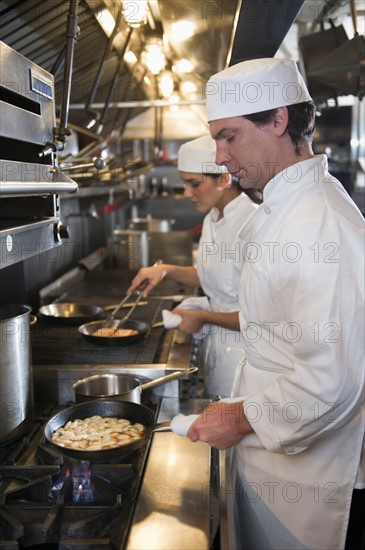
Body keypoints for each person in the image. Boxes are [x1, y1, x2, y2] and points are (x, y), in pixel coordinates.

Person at [185, 58, 365, 549]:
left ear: (279, 121)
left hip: (310, 484)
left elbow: (332, 380)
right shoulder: (282, 206)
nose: (219, 157)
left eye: (230, 137)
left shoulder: (318, 222)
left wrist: (240, 418)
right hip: (273, 462)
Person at [127, 134, 259, 398]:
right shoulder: (213, 216)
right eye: (184, 184)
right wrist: (164, 270)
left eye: (194, 184)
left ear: (223, 179)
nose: (186, 193)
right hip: (217, 348)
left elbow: (259, 319)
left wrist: (202, 317)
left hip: (246, 357)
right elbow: (214, 277)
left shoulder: (252, 223)